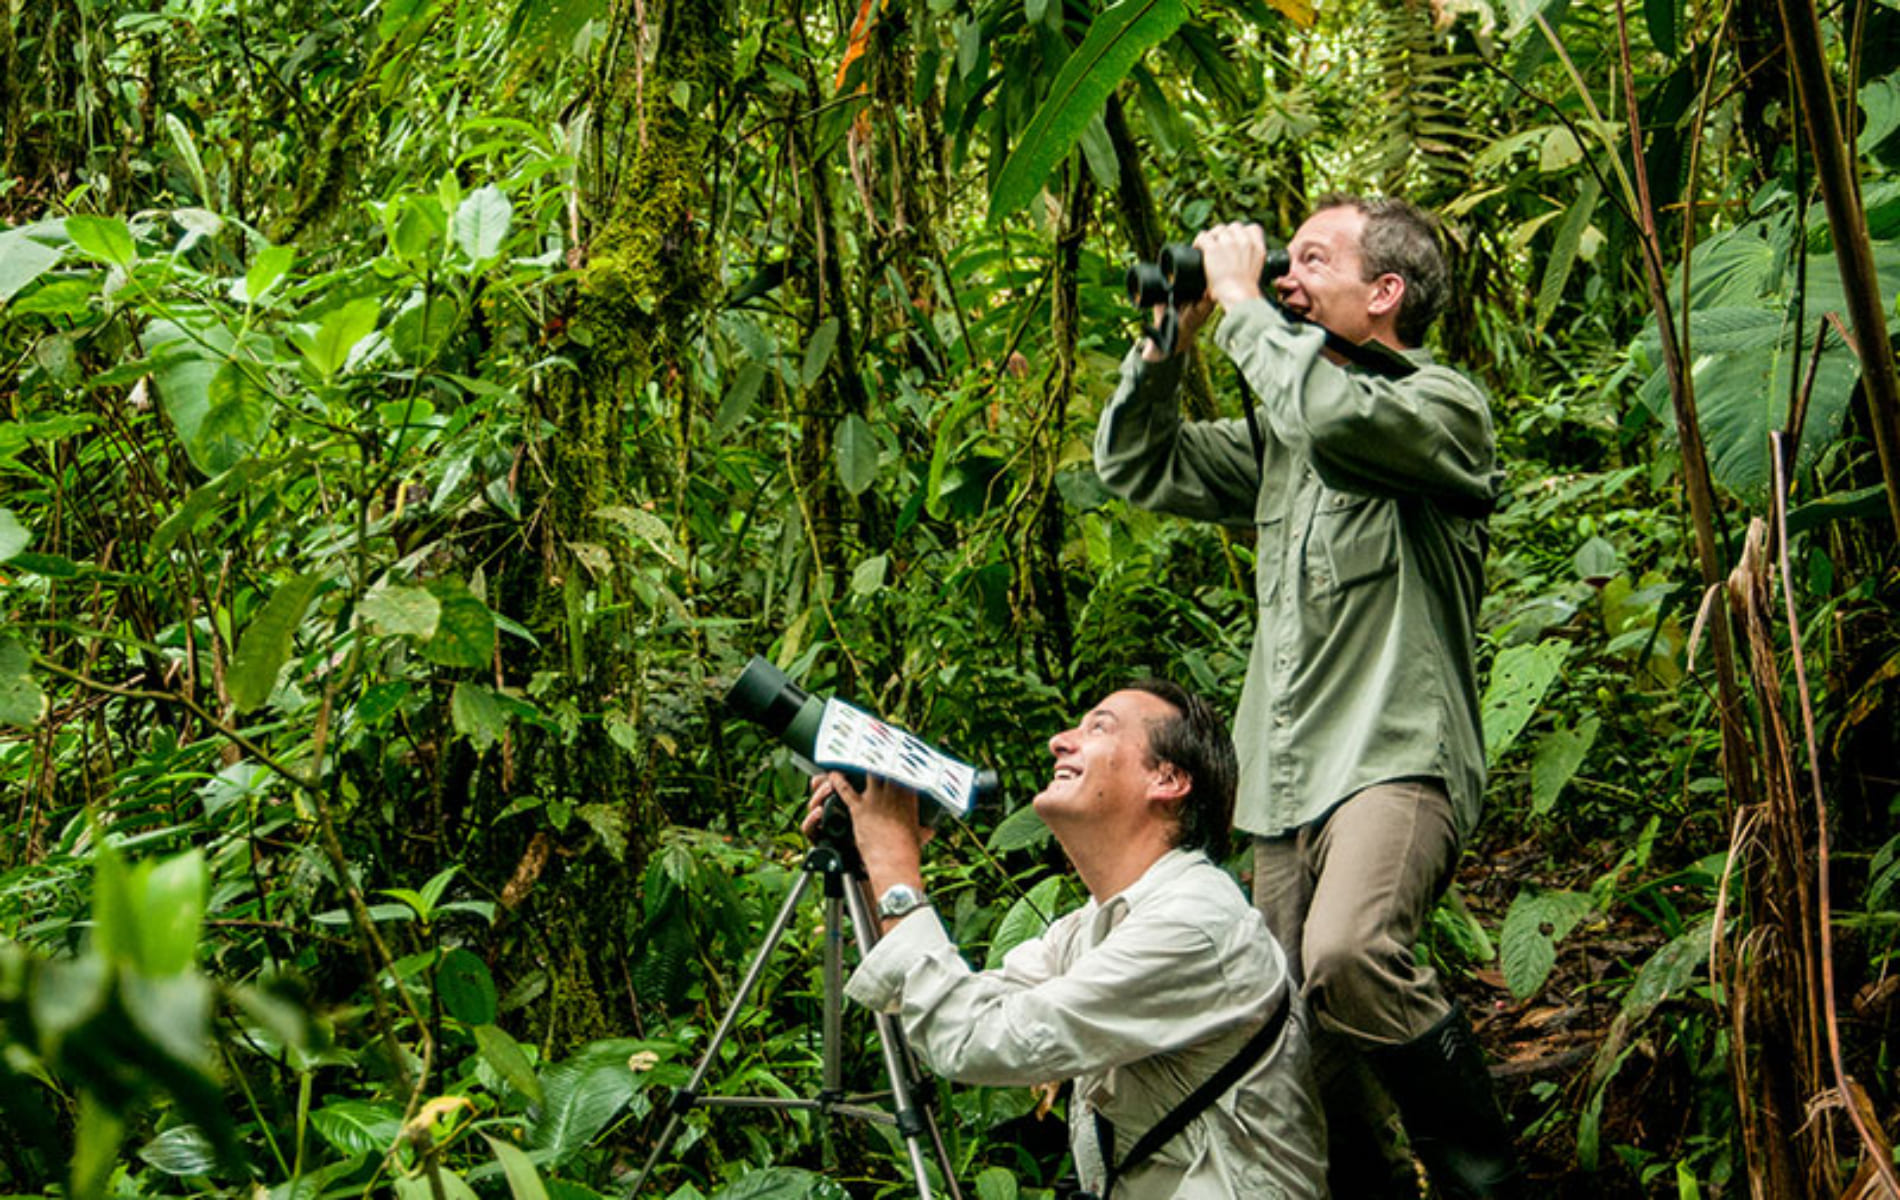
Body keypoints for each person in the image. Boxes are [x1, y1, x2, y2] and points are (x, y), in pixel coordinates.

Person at [1092, 197, 1519, 1198]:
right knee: (1293, 1032)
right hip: (1282, 788)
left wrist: (1242, 302)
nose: (1285, 277)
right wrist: (1167, 337)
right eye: (1281, 265)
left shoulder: (1438, 408)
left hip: (1393, 758)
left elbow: (1334, 422)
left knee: (1348, 956)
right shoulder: (1286, 435)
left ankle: (1486, 1184)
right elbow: (1137, 463)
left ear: (1385, 292)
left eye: (1309, 259)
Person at [806, 681, 1325, 1198]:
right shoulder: (1092, 925)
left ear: (1167, 779)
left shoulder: (1195, 924)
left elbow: (975, 1040)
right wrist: (879, 869)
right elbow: (952, 1007)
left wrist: (897, 867)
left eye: (1099, 726)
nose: (1060, 740)